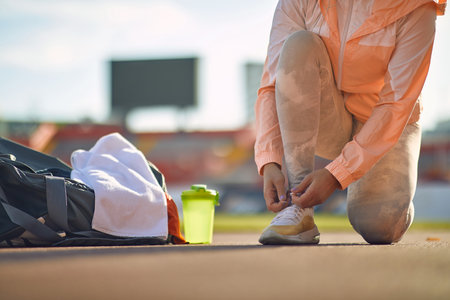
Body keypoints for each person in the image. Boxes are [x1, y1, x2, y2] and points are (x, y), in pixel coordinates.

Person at [254, 0, 447, 245]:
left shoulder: (417, 7)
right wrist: (269, 160)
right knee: (298, 44)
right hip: (330, 117)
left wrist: (338, 174)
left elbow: (395, 103)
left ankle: (397, 198)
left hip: (385, 123)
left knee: (379, 226)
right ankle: (297, 210)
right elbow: (273, 82)